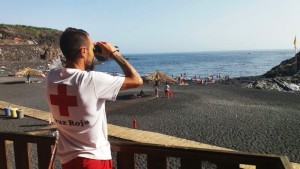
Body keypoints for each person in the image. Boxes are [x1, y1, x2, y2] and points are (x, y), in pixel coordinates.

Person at [45, 27, 142, 169]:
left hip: (67, 160)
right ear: (83, 51)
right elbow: (137, 80)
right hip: (93, 160)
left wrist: (89, 46)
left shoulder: (51, 77)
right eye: (92, 49)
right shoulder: (91, 81)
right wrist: (114, 53)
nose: (94, 54)